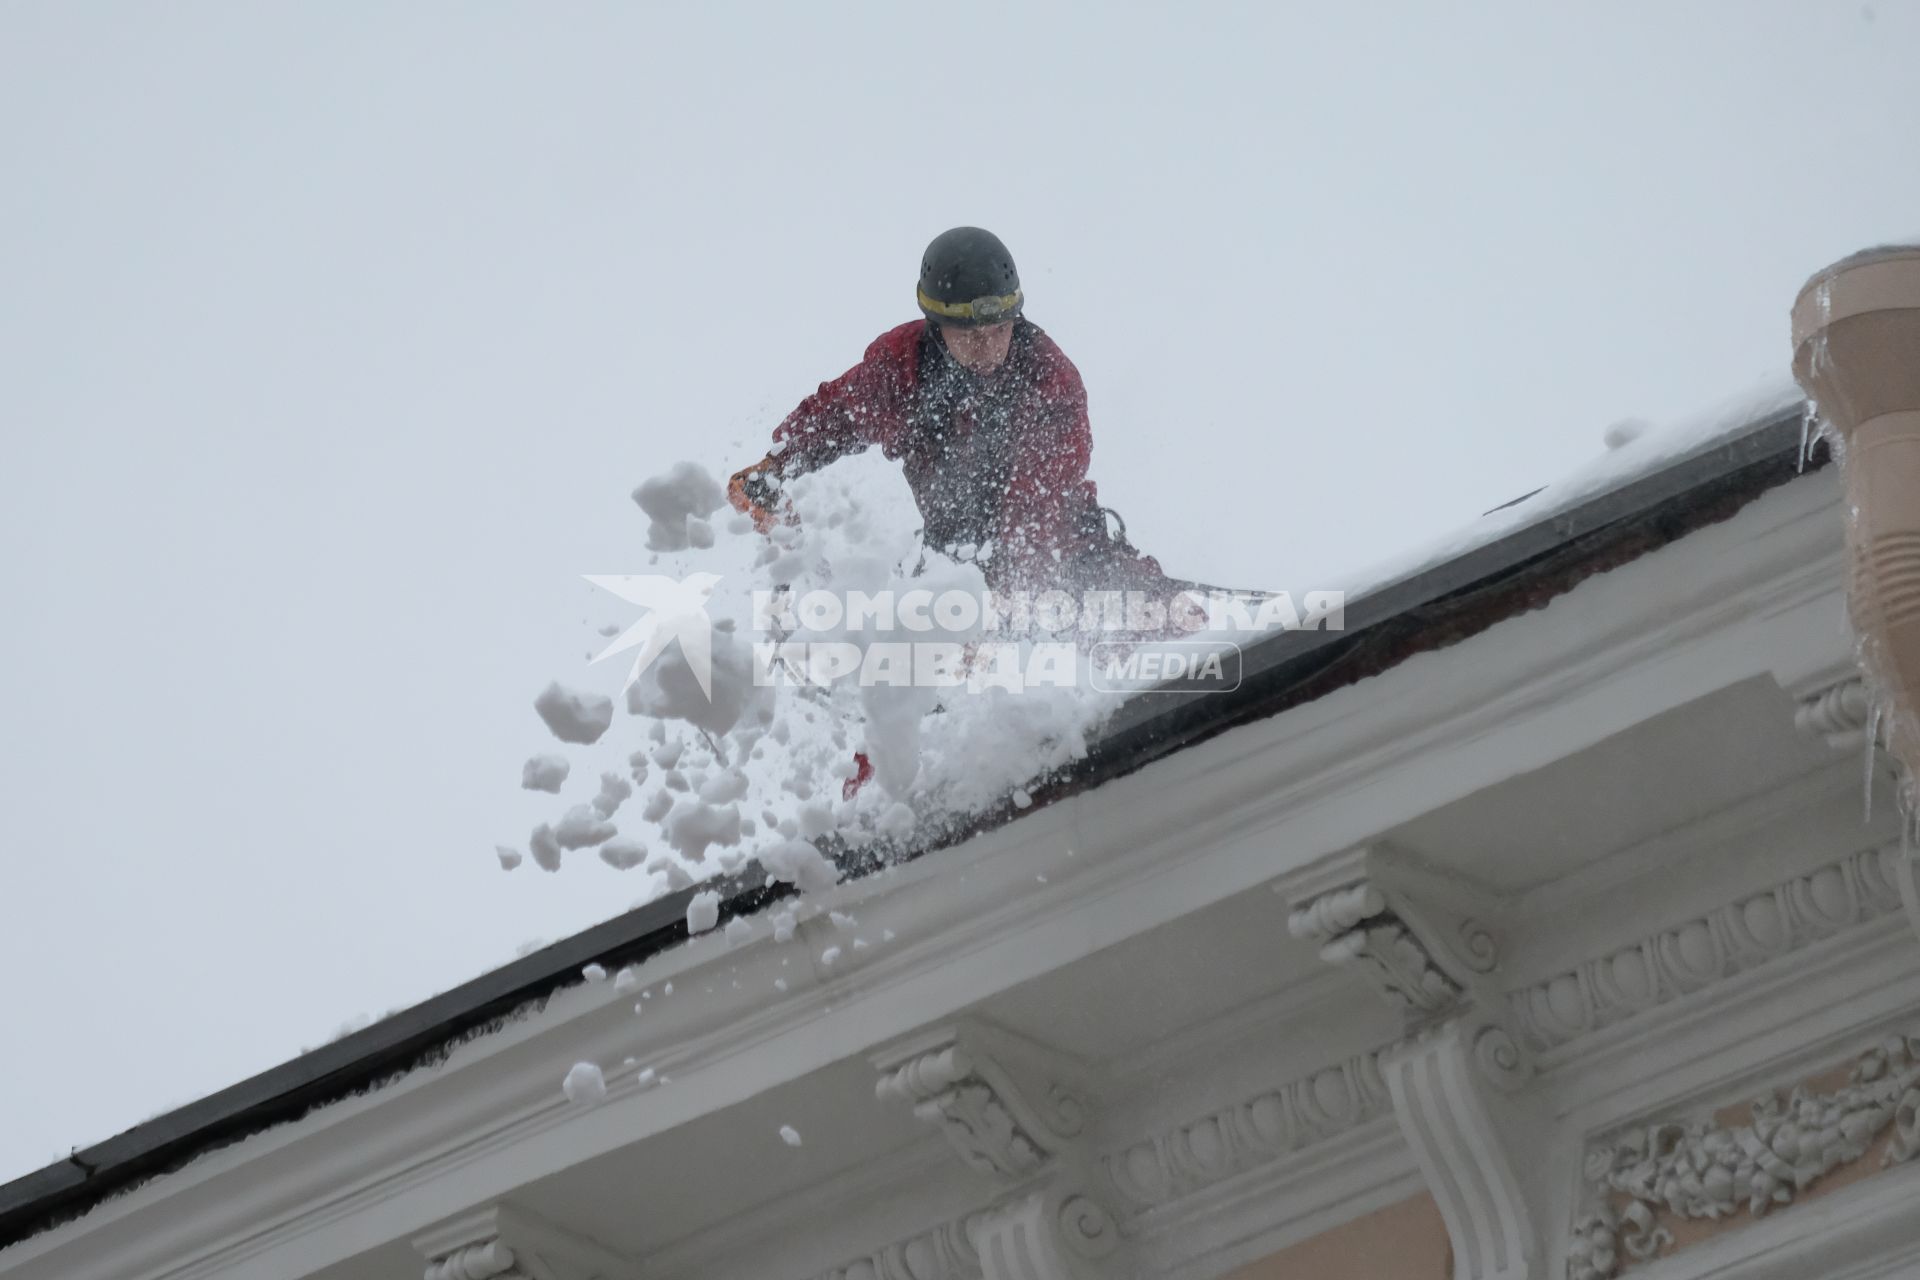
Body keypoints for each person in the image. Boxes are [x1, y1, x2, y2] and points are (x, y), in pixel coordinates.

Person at [727, 227, 1173, 598]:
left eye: (1000, 329)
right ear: (937, 325)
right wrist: (775, 467)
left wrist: (992, 601)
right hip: (950, 559)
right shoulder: (902, 368)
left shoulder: (1049, 382)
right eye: (971, 334)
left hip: (1061, 553)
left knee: (1156, 632)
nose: (989, 347)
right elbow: (839, 415)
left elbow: (1038, 506)